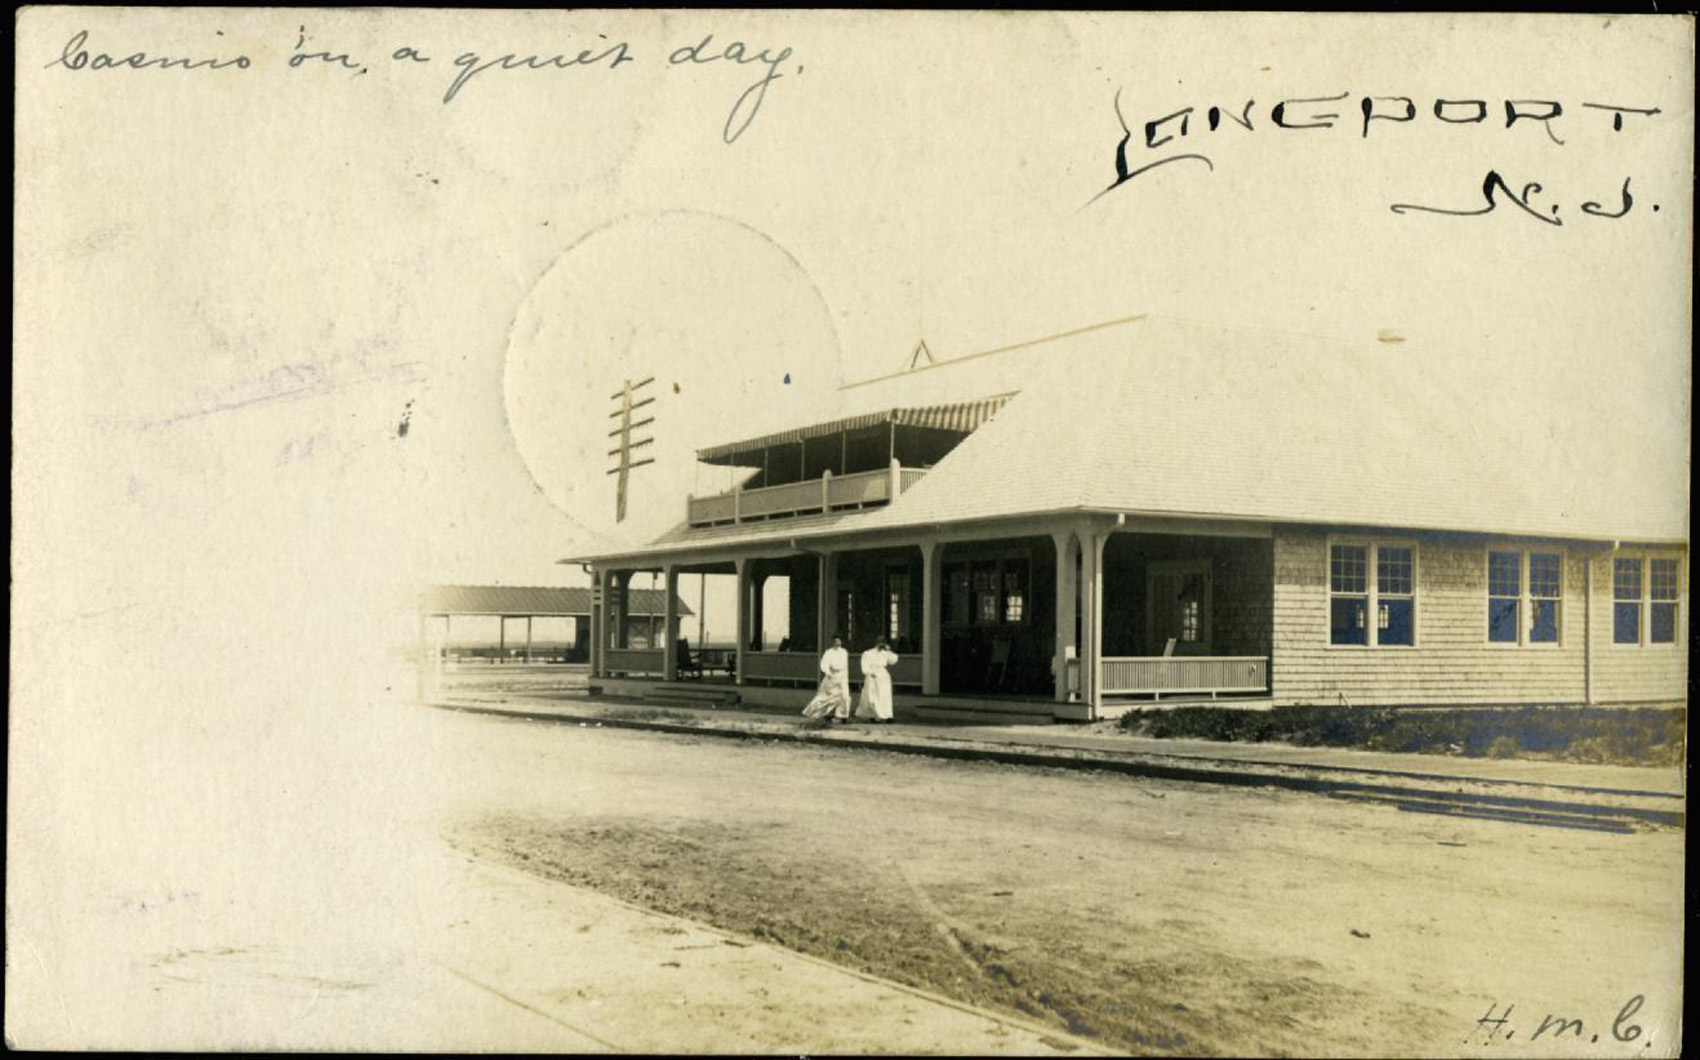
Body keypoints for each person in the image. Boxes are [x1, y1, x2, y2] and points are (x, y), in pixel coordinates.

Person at [801, 636, 851, 723]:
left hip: (841, 678)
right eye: (836, 641)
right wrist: (828, 672)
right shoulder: (828, 652)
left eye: (839, 641)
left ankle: (843, 716)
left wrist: (844, 677)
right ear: (833, 642)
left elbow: (844, 666)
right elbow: (824, 664)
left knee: (844, 696)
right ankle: (825, 714)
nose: (838, 643)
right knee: (827, 697)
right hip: (831, 677)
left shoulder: (844, 652)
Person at [855, 637, 899, 723]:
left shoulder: (885, 653)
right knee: (873, 697)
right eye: (879, 642)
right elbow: (864, 667)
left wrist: (888, 650)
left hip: (883, 676)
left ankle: (887, 715)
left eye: (882, 643)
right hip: (872, 676)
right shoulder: (868, 653)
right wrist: (870, 673)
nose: (881, 645)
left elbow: (893, 660)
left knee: (885, 696)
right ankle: (876, 715)